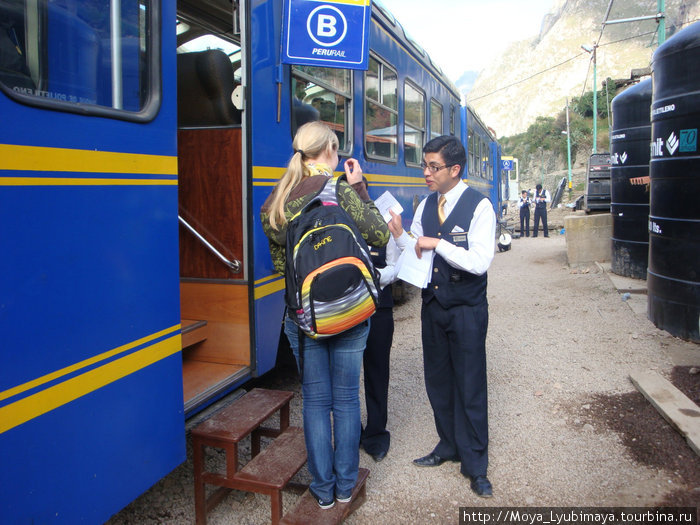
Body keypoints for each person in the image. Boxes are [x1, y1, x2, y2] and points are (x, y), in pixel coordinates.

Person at [260, 121, 389, 509]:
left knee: (316, 402)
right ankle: (346, 485)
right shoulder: (341, 191)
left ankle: (322, 492)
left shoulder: (277, 202)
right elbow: (380, 234)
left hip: (304, 318)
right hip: (349, 310)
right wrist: (359, 188)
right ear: (331, 151)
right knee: (347, 400)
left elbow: (281, 266)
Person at [387, 135, 496, 498]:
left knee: (470, 385)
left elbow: (479, 262)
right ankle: (447, 445)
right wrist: (403, 236)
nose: (426, 173)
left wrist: (440, 243)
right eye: (425, 165)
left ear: (455, 169)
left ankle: (476, 464)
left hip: (466, 309)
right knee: (438, 382)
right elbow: (416, 251)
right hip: (433, 308)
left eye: (433, 167)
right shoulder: (426, 206)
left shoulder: (480, 207)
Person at [361, 236, 400, 463]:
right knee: (345, 378)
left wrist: (375, 276)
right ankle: (352, 432)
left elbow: (395, 268)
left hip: (379, 308)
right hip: (346, 310)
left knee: (377, 371)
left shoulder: (382, 230)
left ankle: (376, 434)